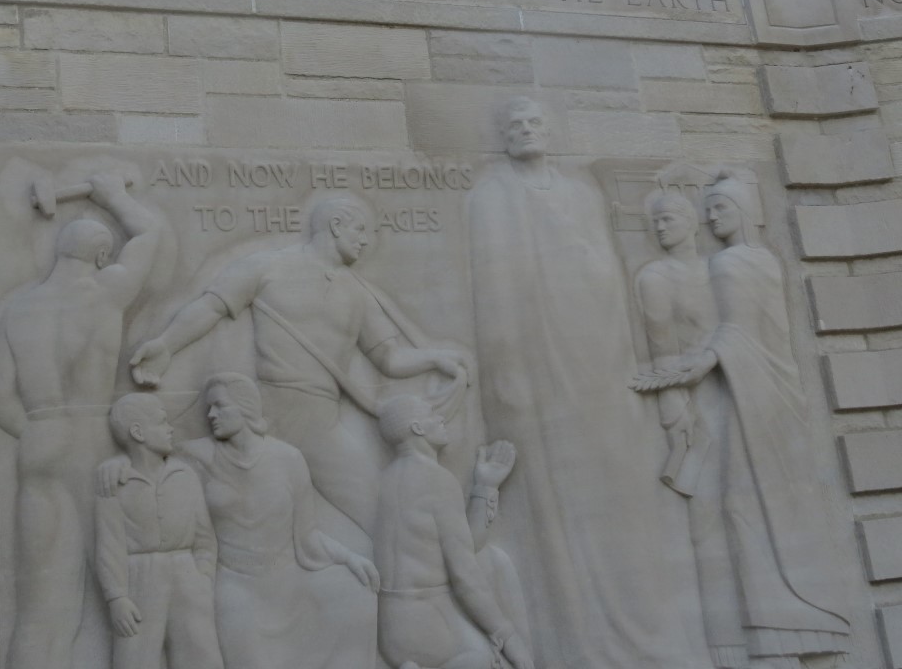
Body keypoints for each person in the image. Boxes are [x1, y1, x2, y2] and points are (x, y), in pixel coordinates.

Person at [467, 96, 709, 669]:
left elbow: (605, 278)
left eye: (534, 122)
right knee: (561, 505)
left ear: (548, 132)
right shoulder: (490, 197)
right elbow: (494, 299)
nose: (525, 130)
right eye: (515, 124)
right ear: (503, 136)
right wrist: (509, 379)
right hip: (539, 372)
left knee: (625, 498)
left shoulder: (581, 193)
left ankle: (651, 635)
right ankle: (580, 644)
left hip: (601, 368)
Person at [128, 195, 467, 534]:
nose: (366, 240)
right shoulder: (266, 267)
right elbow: (210, 308)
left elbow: (388, 358)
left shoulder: (358, 293)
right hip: (271, 411)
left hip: (322, 419)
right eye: (360, 230)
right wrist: (166, 345)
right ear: (336, 226)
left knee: (380, 510)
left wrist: (436, 357)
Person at [633, 171, 851, 664]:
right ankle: (743, 636)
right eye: (708, 209)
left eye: (720, 209)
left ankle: (789, 623)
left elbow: (743, 332)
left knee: (742, 506)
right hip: (730, 396)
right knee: (725, 512)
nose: (712, 217)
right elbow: (720, 334)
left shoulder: (735, 263)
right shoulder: (713, 266)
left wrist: (701, 364)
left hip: (758, 395)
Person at [0, 174, 165, 669]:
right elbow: (150, 233)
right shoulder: (107, 291)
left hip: (40, 445)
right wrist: (110, 193)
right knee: (125, 592)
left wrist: (45, 434)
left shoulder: (16, 307)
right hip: (96, 442)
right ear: (103, 256)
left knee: (40, 612)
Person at [182, 372, 379, 669]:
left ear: (245, 406)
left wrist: (350, 557)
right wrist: (119, 468)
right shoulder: (197, 457)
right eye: (209, 408)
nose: (211, 415)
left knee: (354, 592)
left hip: (288, 582)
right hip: (236, 585)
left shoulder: (287, 458)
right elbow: (159, 477)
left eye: (220, 406)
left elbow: (307, 536)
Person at [634, 189, 747, 667]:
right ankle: (722, 643)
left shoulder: (720, 269)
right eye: (654, 221)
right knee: (704, 519)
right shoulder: (654, 276)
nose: (659, 227)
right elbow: (660, 347)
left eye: (669, 219)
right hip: (691, 401)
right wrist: (673, 409)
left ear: (690, 222)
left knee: (743, 510)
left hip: (735, 391)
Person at [374, 394, 534, 669]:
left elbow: (464, 545)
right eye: (432, 414)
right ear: (418, 428)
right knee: (491, 661)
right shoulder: (436, 479)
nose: (441, 418)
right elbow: (464, 574)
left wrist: (485, 487)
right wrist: (508, 635)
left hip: (392, 629)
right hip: (431, 625)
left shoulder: (386, 479)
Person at [94, 393, 224, 669]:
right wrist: (117, 597)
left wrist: (203, 577)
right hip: (140, 578)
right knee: (135, 658)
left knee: (201, 656)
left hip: (186, 576)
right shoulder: (115, 482)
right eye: (162, 422)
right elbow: (110, 545)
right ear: (138, 432)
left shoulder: (184, 474)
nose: (170, 428)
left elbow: (205, 537)